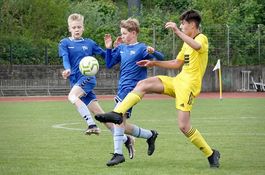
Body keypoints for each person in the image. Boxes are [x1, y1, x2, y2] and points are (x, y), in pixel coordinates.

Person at [96, 10, 220, 168]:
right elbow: (176, 63)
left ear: (193, 25)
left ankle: (211, 153)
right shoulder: (186, 43)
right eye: (180, 24)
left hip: (188, 87)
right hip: (177, 81)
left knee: (183, 126)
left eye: (183, 24)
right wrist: (154, 63)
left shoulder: (201, 38)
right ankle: (117, 113)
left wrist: (175, 30)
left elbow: (196, 45)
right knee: (143, 84)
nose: (181, 26)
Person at [58, 13, 135, 159]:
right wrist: (67, 69)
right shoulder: (64, 43)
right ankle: (127, 139)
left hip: (87, 78)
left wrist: (114, 48)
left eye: (79, 27)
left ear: (83, 28)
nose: (77, 29)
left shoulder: (90, 43)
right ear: (69, 28)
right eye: (74, 27)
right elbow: (65, 58)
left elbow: (108, 56)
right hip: (77, 82)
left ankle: (91, 125)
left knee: (72, 96)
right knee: (103, 118)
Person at [99, 18, 164, 166]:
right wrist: (109, 48)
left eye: (124, 33)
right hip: (122, 89)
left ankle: (118, 154)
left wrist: (154, 52)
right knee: (121, 124)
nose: (121, 36)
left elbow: (161, 58)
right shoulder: (122, 48)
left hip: (133, 91)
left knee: (116, 119)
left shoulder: (142, 48)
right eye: (121, 33)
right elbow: (109, 64)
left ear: (133, 33)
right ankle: (150, 135)